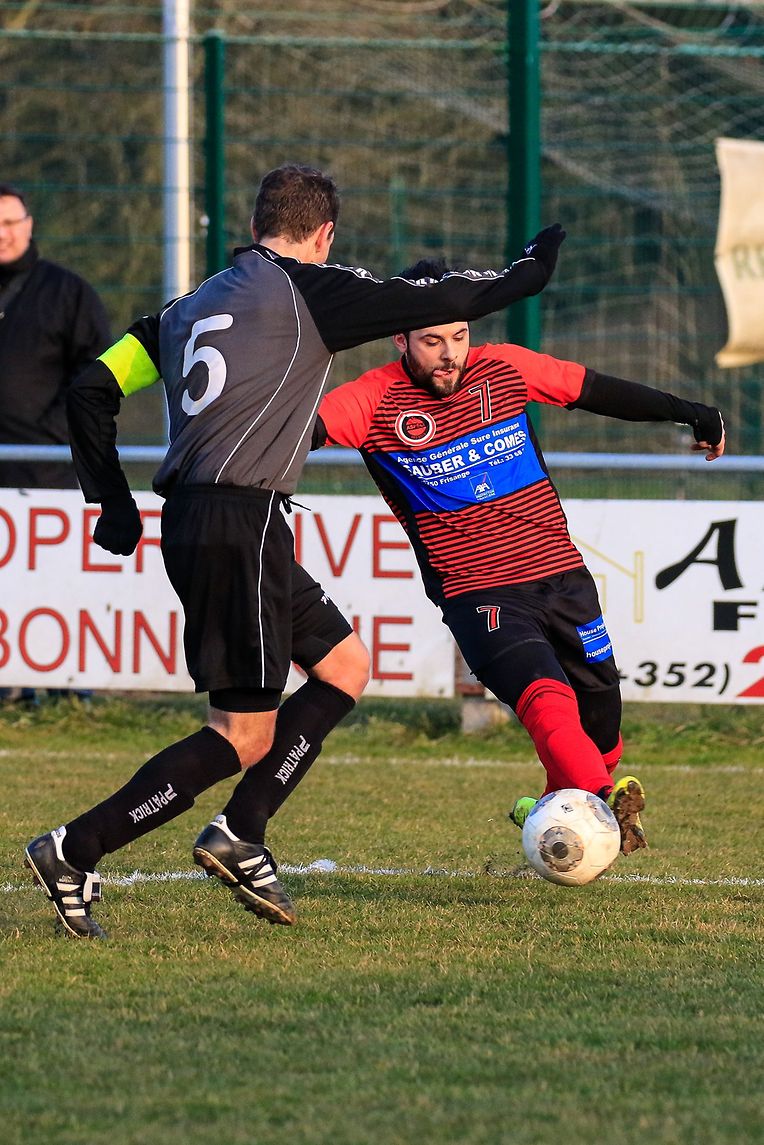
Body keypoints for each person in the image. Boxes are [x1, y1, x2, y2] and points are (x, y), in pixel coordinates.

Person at [24, 164, 567, 938]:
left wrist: (110, 499)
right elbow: (440, 299)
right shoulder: (308, 288)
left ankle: (241, 830)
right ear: (325, 235)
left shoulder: (187, 306)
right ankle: (74, 849)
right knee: (243, 733)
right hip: (236, 523)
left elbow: (90, 388)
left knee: (345, 665)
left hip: (224, 520)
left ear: (254, 227)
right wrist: (530, 272)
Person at [312, 256, 727, 859]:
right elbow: (292, 431)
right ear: (400, 338)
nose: (450, 354)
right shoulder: (371, 400)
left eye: (459, 336)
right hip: (477, 591)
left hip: (561, 575)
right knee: (545, 697)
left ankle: (556, 803)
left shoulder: (504, 367)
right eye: (432, 341)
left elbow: (597, 390)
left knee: (601, 719)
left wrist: (689, 410)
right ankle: (605, 797)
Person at [0, 182, 111, 706]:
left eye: (10, 223)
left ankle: (67, 687)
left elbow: (94, 374)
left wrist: (53, 433)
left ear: (29, 225)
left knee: (53, 586)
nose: (2, 234)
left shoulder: (69, 293)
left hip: (48, 472)